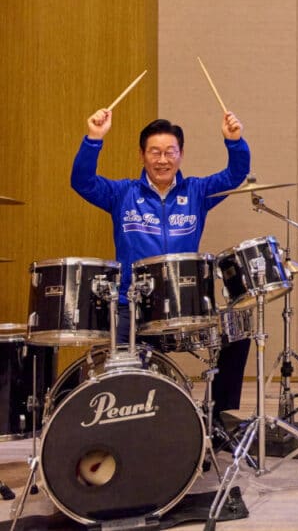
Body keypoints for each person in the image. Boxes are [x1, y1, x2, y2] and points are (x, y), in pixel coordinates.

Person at [71, 108, 251, 422]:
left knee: (237, 333)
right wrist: (93, 139)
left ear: (181, 154)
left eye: (170, 151)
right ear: (142, 155)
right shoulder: (122, 193)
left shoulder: (197, 191)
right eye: (155, 152)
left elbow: (235, 175)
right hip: (131, 306)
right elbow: (82, 182)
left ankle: (215, 416)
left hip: (185, 304)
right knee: (121, 373)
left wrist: (234, 142)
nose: (163, 160)